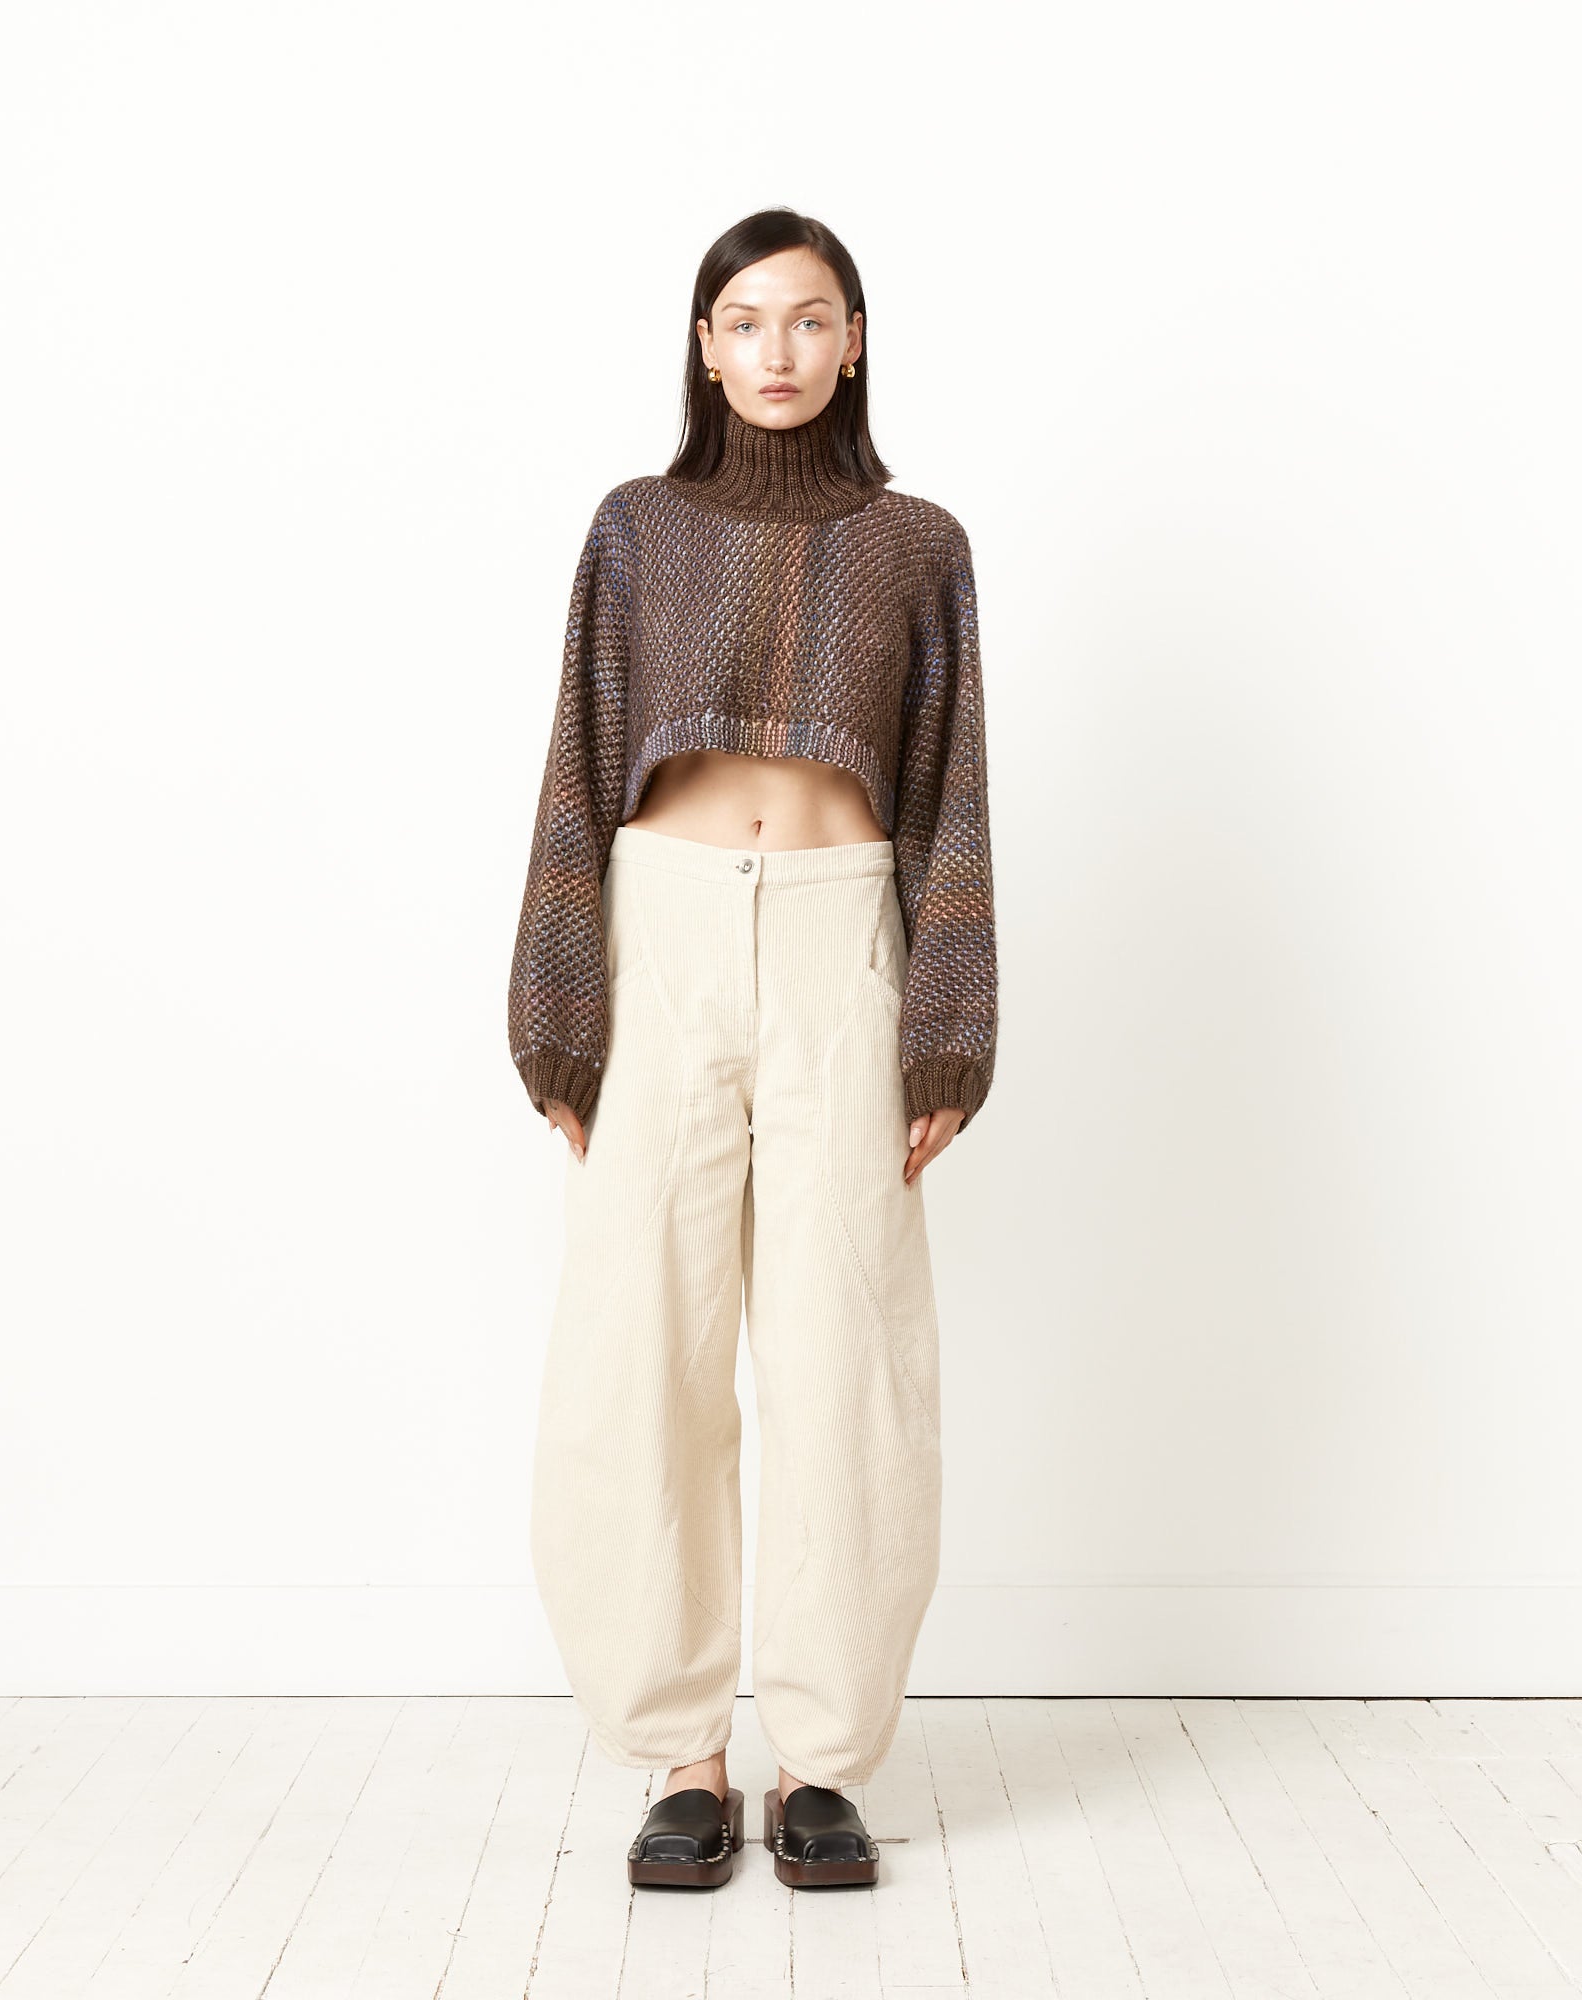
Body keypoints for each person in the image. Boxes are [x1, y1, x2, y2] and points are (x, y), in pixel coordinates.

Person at [506, 207, 1000, 1890]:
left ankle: (825, 1764)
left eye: (807, 318)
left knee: (847, 1354)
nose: (776, 350)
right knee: (639, 1347)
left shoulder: (918, 545)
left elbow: (952, 795)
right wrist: (560, 1009)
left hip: (842, 947)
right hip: (664, 937)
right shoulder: (637, 529)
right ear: (703, 347)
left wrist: (949, 1028)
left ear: (854, 341)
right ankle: (684, 1755)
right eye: (743, 320)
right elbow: (581, 766)